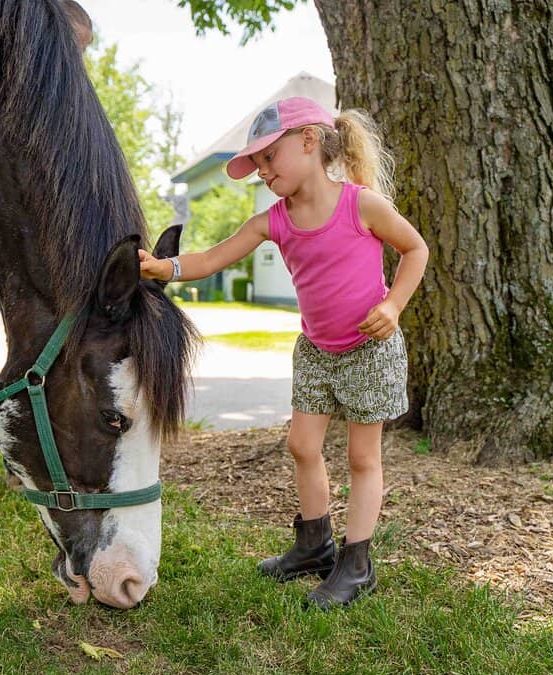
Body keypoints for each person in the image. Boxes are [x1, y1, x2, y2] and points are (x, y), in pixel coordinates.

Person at [140, 97, 428, 608]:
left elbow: (416, 249)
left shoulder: (360, 204)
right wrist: (169, 270)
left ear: (309, 141)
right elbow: (212, 256)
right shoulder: (274, 220)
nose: (262, 173)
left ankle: (356, 564)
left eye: (269, 158)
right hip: (315, 350)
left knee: (363, 457)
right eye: (256, 165)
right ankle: (315, 544)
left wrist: (394, 304)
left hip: (370, 348)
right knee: (301, 445)